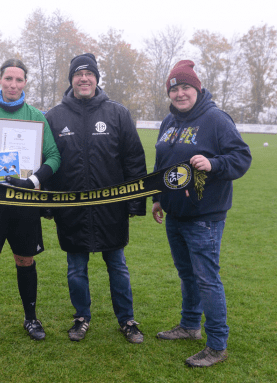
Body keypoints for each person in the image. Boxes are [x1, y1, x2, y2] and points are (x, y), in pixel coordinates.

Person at [152, 60, 252, 367]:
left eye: (185, 88)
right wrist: (158, 198)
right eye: (174, 89)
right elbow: (162, 166)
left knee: (207, 279)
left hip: (205, 216)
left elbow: (241, 156)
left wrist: (214, 164)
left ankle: (217, 345)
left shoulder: (215, 119)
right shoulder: (169, 122)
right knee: (187, 275)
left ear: (197, 88)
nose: (180, 94)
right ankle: (190, 326)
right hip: (175, 214)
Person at [44, 53, 147, 343]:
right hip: (71, 212)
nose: (84, 78)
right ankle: (81, 317)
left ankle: (127, 320)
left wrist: (135, 202)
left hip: (110, 210)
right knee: (76, 268)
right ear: (71, 80)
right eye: (79, 74)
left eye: (90, 74)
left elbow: (134, 160)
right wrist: (49, 206)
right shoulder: (54, 116)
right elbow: (46, 162)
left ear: (97, 79)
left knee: (117, 266)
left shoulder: (118, 113)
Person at [0, 59, 61, 341]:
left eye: (19, 80)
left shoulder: (36, 116)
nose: (13, 85)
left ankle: (31, 319)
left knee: (25, 260)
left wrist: (33, 181)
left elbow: (54, 156)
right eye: (8, 79)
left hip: (25, 201)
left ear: (25, 83)